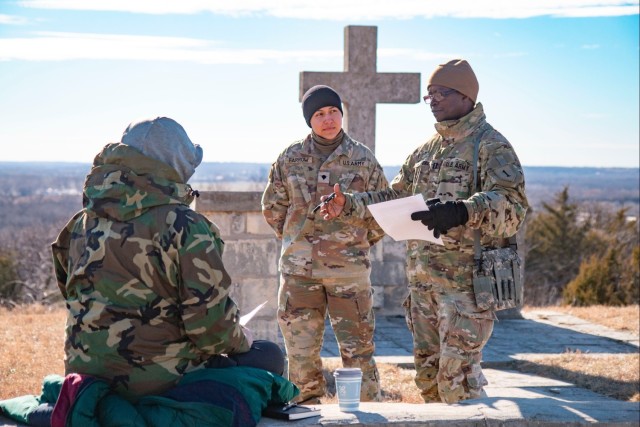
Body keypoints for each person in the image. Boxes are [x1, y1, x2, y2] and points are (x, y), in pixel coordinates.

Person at [320, 59, 529, 403]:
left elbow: (512, 207)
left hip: (465, 292)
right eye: (428, 95)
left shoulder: (490, 146)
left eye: (439, 93)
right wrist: (351, 205)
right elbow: (394, 198)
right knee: (429, 383)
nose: (431, 101)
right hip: (423, 291)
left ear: (464, 96)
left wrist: (463, 210)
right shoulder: (424, 152)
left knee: (456, 383)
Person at [51, 116, 285, 401]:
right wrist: (241, 337)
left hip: (83, 376)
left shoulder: (79, 223)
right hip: (161, 381)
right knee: (269, 356)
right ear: (175, 166)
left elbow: (71, 292)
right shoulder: (185, 225)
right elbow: (210, 331)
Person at [261, 85, 389, 403]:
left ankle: (368, 420)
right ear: (310, 120)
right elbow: (273, 209)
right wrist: (297, 243)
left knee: (358, 355)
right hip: (299, 275)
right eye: (319, 114)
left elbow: (383, 209)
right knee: (301, 360)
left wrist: (353, 245)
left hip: (349, 275)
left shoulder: (362, 158)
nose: (328, 119)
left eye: (333, 111)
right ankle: (305, 416)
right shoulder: (289, 158)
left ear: (341, 114)